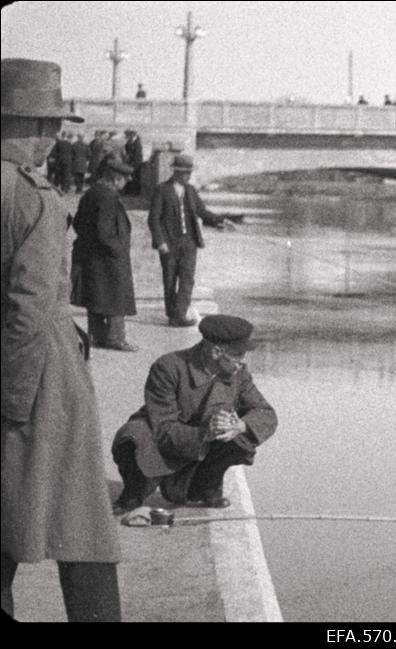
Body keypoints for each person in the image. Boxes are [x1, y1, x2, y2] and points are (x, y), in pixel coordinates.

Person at [1, 57, 122, 622]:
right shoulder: (34, 195)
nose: (51, 138)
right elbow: (29, 310)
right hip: (39, 380)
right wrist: (13, 401)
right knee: (81, 525)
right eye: (42, 125)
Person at [111, 315, 277, 512]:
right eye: (238, 355)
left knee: (241, 440)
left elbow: (265, 412)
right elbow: (163, 428)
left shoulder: (238, 372)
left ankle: (206, 488)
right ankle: (133, 494)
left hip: (204, 444)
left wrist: (239, 426)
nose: (242, 362)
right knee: (134, 436)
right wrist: (206, 432)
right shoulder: (168, 367)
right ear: (217, 352)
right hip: (165, 438)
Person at [148, 153, 232, 327]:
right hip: (169, 243)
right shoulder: (162, 190)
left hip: (189, 242)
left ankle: (179, 314)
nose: (189, 175)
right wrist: (160, 241)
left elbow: (202, 212)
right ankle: (173, 315)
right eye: (186, 172)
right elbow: (154, 219)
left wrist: (220, 220)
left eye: (190, 172)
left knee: (187, 279)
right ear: (177, 172)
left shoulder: (191, 191)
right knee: (170, 280)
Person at [70, 155, 138, 352]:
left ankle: (97, 337)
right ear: (116, 178)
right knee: (117, 298)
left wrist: (91, 242)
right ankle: (116, 339)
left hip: (92, 256)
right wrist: (117, 250)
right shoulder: (108, 197)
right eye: (124, 180)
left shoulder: (91, 193)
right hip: (109, 258)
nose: (125, 184)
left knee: (97, 297)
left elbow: (77, 223)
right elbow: (104, 231)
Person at [123, 128, 143, 195]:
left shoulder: (137, 143)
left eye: (131, 135)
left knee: (135, 178)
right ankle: (128, 191)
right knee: (130, 177)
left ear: (134, 135)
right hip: (130, 162)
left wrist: (133, 164)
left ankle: (135, 192)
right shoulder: (130, 142)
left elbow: (137, 155)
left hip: (135, 163)